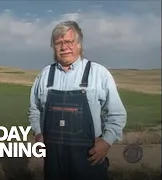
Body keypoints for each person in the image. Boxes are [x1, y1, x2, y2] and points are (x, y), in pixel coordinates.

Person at [28, 20, 127, 180]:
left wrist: (106, 142)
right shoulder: (45, 75)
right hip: (53, 159)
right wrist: (39, 134)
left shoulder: (99, 74)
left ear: (79, 44)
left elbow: (116, 114)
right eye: (58, 43)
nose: (64, 47)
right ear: (53, 47)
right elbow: (35, 109)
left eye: (69, 42)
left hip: (89, 157)